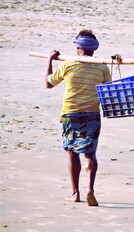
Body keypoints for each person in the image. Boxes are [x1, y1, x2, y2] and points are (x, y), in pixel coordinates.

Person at [45, 29, 112, 206]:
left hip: (70, 113)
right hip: (92, 113)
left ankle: (76, 192)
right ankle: (90, 189)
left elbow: (48, 83)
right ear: (94, 49)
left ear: (77, 47)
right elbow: (108, 90)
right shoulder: (102, 67)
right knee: (90, 153)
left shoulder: (67, 65)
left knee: (72, 151)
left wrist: (50, 60)